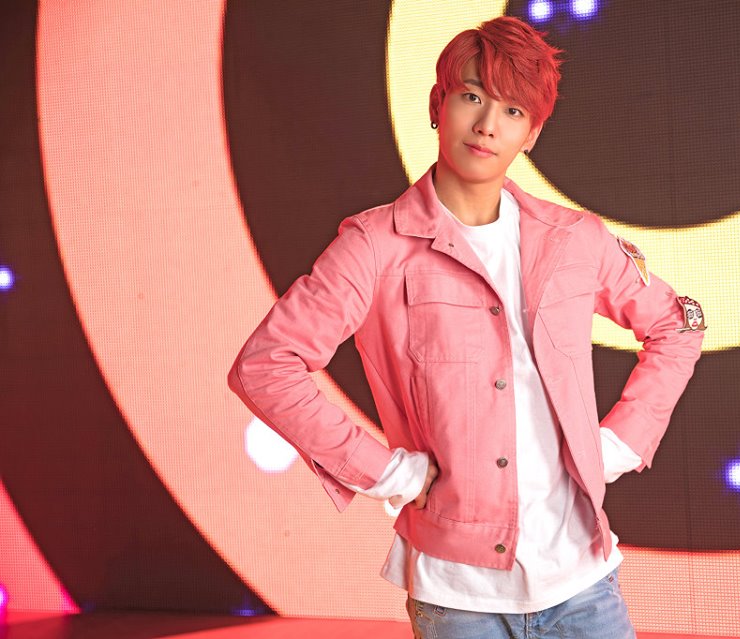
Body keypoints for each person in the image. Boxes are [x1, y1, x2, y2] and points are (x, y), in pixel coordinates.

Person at [227, 15, 705, 639]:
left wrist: (620, 442)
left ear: (532, 133)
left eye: (512, 111)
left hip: (585, 586)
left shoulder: (574, 240)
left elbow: (676, 325)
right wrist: (386, 471)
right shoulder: (373, 247)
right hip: (457, 599)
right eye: (472, 97)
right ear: (438, 104)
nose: (487, 125)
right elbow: (266, 365)